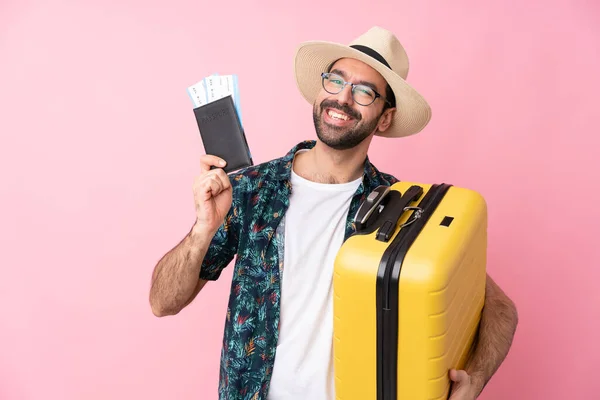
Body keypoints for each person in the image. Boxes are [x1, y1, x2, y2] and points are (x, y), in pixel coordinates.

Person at [149, 26, 519, 400]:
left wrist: (475, 378)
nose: (343, 98)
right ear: (319, 90)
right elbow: (163, 302)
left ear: (385, 118)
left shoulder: (404, 208)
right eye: (335, 80)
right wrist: (203, 228)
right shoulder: (251, 188)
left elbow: (500, 310)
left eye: (363, 91)